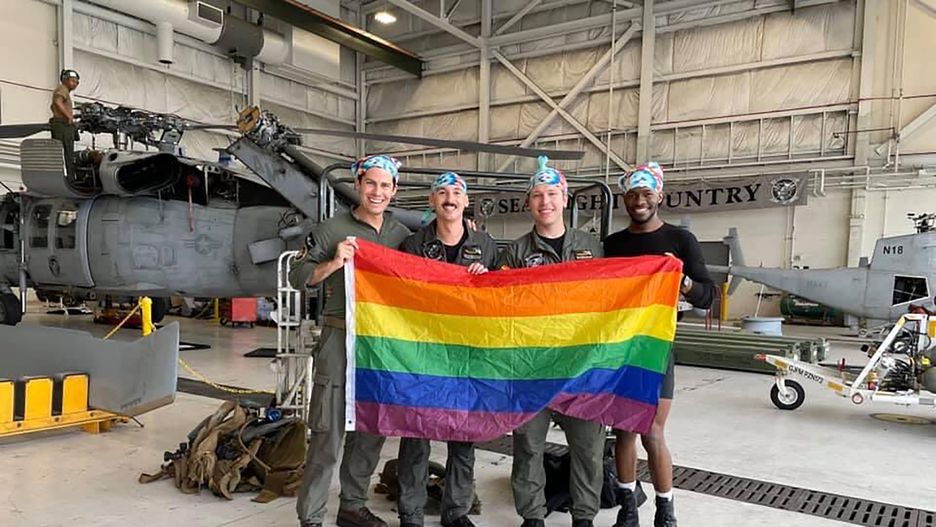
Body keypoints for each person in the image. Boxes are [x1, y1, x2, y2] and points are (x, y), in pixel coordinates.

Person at [291, 154, 412, 527]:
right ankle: (311, 516)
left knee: (371, 430)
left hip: (380, 345)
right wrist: (333, 262)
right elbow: (298, 276)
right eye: (370, 183)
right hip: (338, 337)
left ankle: (352, 506)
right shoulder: (331, 230)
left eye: (385, 185)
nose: (377, 192)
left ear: (394, 190)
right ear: (358, 184)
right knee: (327, 431)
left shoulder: (401, 236)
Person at [602, 162, 715, 527]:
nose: (639, 201)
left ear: (660, 197)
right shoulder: (613, 244)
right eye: (633, 194)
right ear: (624, 199)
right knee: (623, 430)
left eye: (647, 194)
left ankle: (666, 513)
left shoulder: (681, 240)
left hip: (657, 347)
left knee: (652, 431)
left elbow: (707, 296)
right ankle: (628, 509)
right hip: (620, 349)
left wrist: (682, 281)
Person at [497, 156, 605, 527]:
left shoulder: (591, 247)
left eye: (552, 194)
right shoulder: (515, 252)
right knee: (528, 445)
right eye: (538, 195)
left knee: (589, 446)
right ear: (529, 202)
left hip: (581, 365)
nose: (546, 201)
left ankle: (584, 517)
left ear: (565, 198)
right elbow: (499, 306)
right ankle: (532, 516)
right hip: (532, 366)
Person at [396, 171, 498, 527]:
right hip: (422, 353)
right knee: (416, 435)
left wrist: (487, 279)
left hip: (467, 353)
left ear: (466, 201)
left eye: (456, 192)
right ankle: (410, 512)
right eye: (441, 192)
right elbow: (398, 293)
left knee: (464, 435)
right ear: (432, 201)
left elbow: (502, 298)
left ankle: (456, 511)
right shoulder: (413, 245)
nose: (449, 198)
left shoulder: (486, 246)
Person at [50, 69, 80, 178]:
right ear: (65, 80)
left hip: (62, 124)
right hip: (62, 124)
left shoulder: (64, 91)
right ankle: (70, 178)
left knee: (64, 152)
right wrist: (68, 116)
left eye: (77, 82)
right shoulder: (62, 89)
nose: (75, 84)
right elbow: (57, 102)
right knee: (68, 152)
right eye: (73, 81)